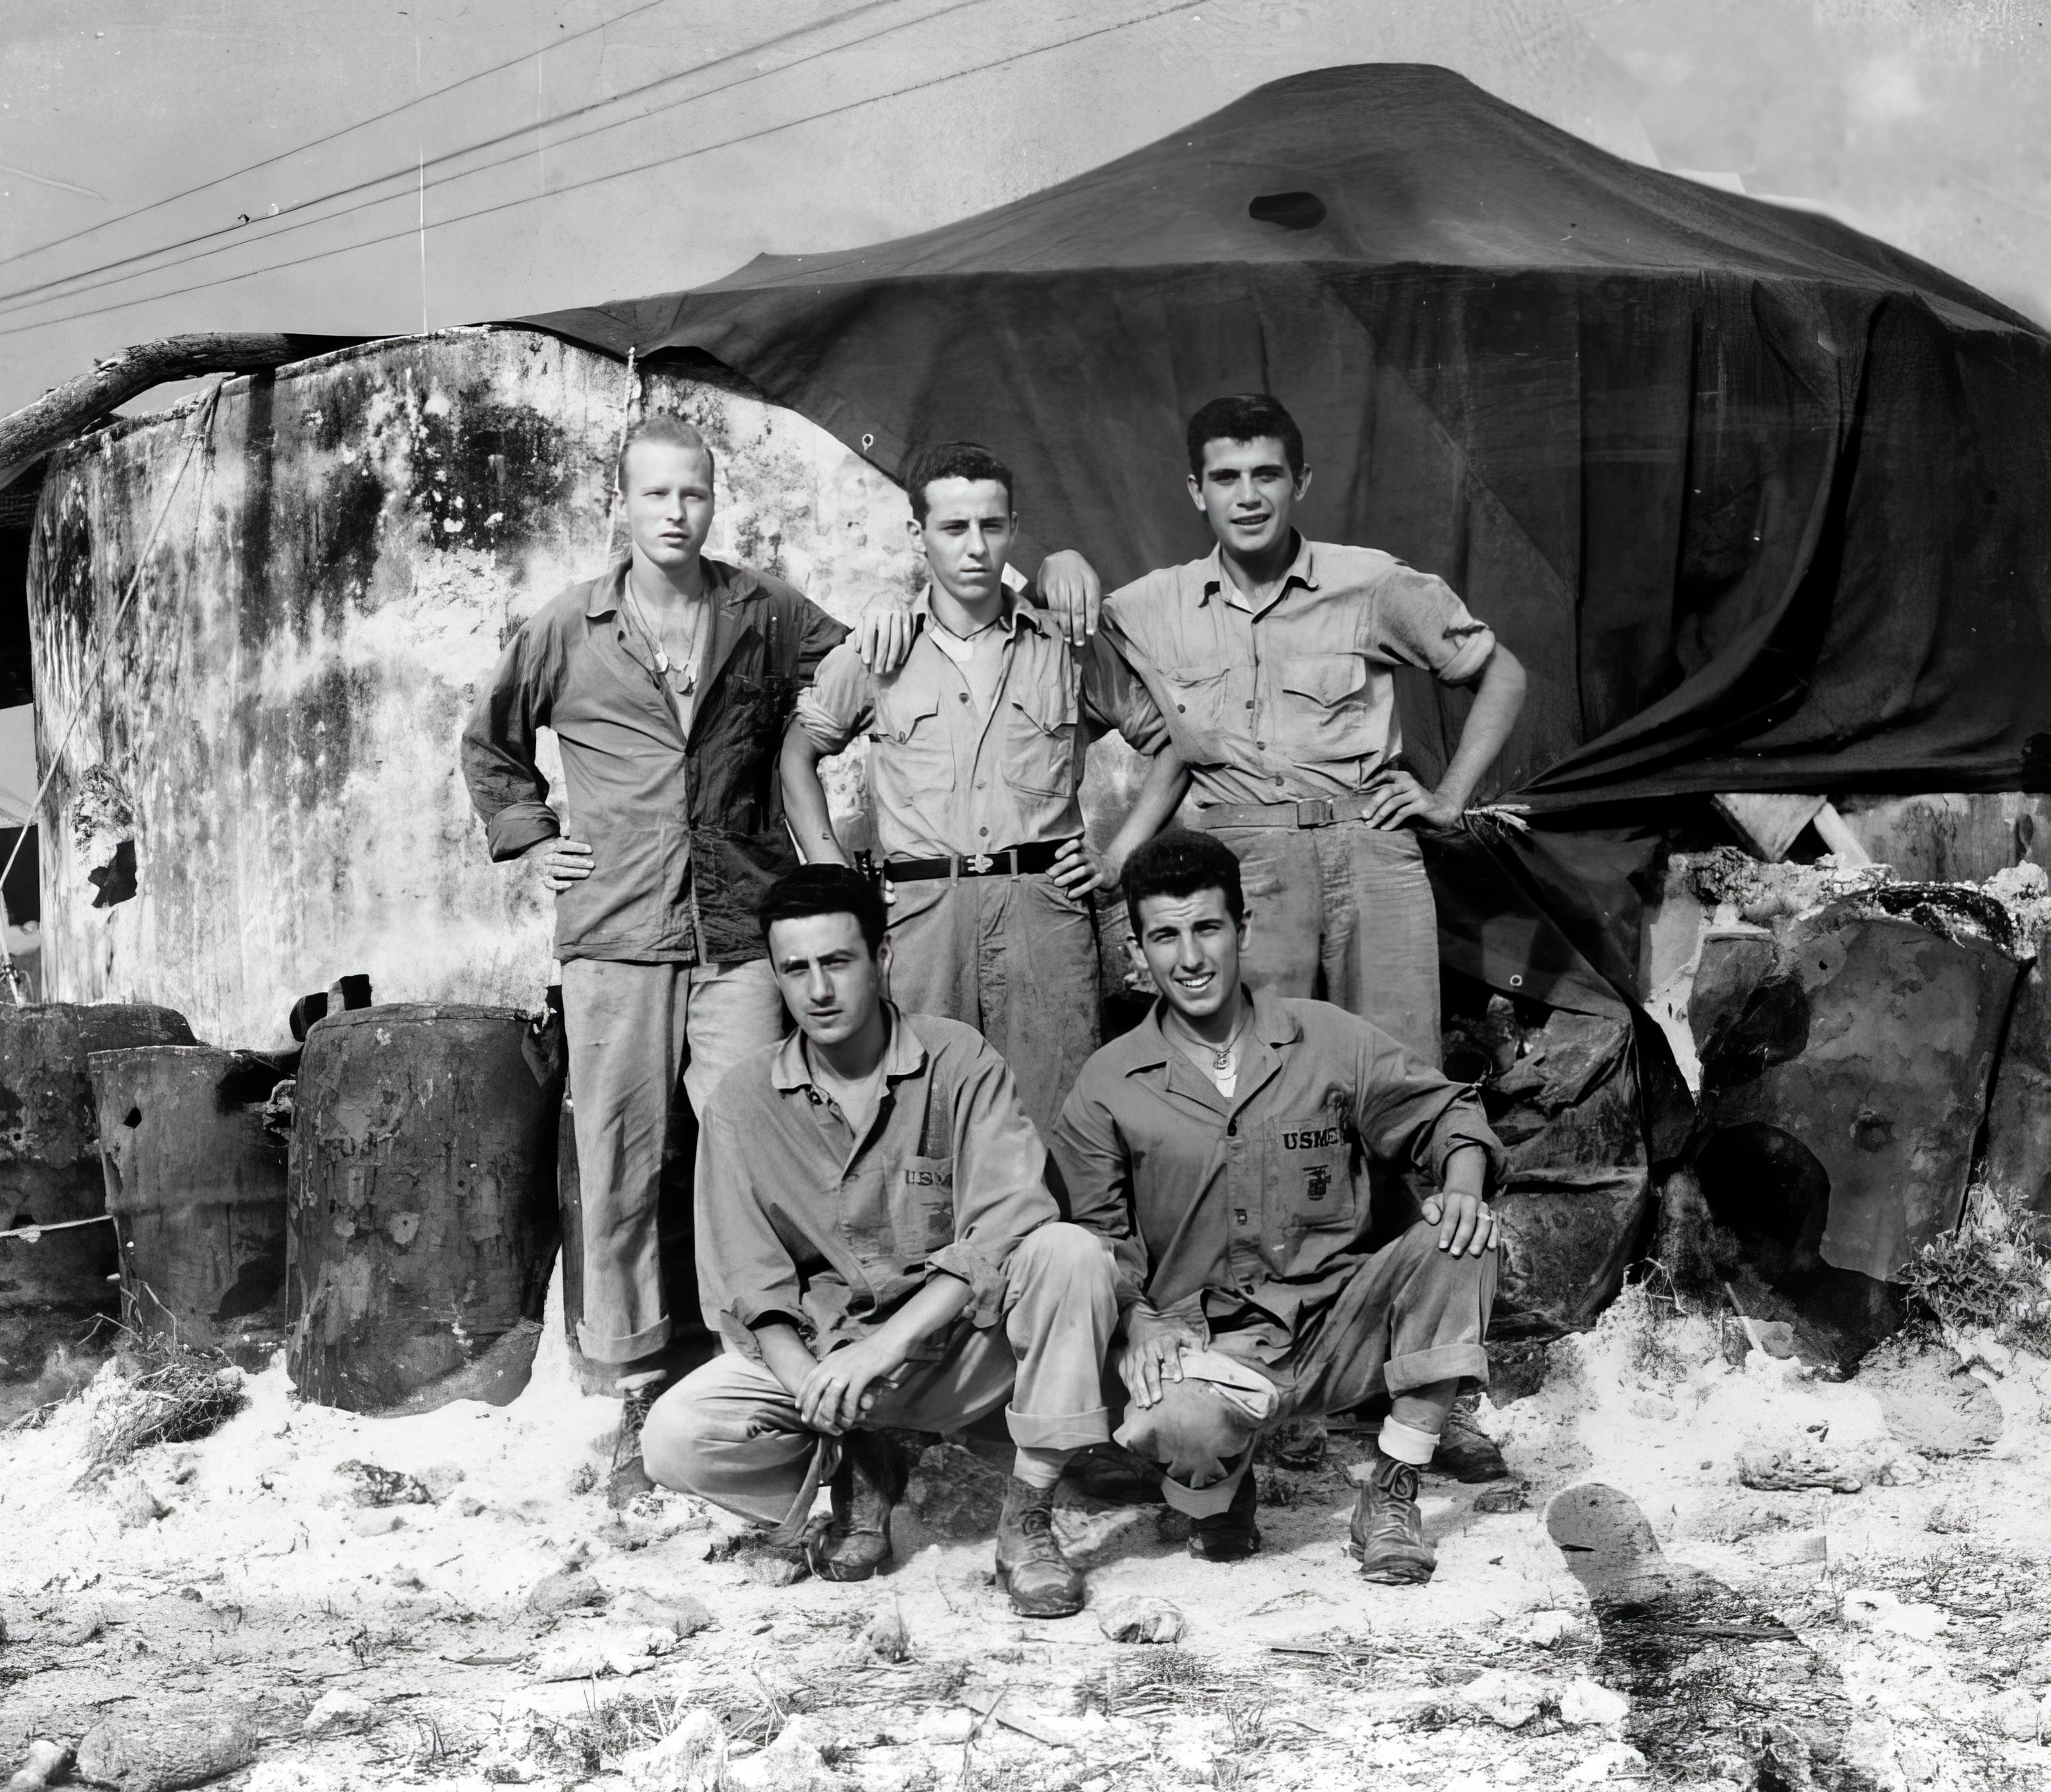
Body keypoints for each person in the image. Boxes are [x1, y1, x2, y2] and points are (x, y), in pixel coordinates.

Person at [462, 413, 847, 1502]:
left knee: (753, 1153)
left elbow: (864, 665)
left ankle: (754, 1372)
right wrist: (532, 837)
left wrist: (805, 750)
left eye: (694, 494)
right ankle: (632, 1390)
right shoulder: (568, 626)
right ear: (621, 505)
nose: (676, 514)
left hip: (740, 928)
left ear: (714, 499)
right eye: (656, 495)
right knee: (621, 1162)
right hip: (618, 933)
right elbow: (491, 742)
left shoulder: (763, 611)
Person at [639, 866, 1120, 1617]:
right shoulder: (740, 1102)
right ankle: (859, 1467)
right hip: (833, 1362)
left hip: (962, 1351)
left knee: (1070, 1253)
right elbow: (750, 1288)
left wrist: (887, 1345)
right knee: (674, 1436)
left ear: (883, 958)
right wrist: (815, 1387)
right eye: (795, 969)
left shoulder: (958, 1060)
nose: (818, 990)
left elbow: (1008, 1219)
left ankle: (1027, 1516)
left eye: (837, 962)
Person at [1049, 829, 1505, 1584]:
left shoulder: (1324, 1037)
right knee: (1179, 1428)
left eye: (1207, 928)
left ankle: (1392, 1492)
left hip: (1341, 1325)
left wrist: (1461, 1186)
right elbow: (1097, 1240)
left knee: (1466, 1236)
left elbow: (1447, 1112)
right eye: (1164, 936)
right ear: (1136, 949)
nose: (1190, 958)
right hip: (1206, 1344)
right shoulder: (1108, 1082)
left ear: (1244, 929)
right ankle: (1222, 1488)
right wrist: (1139, 1322)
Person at [1031, 393, 1530, 1066]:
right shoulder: (1150, 608)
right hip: (1243, 865)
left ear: (1300, 482)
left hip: (1371, 852)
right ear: (1196, 491)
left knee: (1398, 1073)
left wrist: (1448, 798)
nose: (1248, 497)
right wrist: (1054, 566)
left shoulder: (1370, 583)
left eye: (1266, 475)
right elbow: (1042, 662)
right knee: (1262, 1072)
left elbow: (1503, 675)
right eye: (1226, 478)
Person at [781, 441, 1190, 1136]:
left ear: (1013, 527)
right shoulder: (880, 648)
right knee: (920, 1123)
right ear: (918, 534)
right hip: (922, 921)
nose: (975, 547)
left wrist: (1118, 857)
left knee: (1054, 1124)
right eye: (953, 527)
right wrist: (833, 873)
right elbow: (798, 752)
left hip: (1042, 914)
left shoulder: (1064, 645)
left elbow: (1174, 743)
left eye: (991, 526)